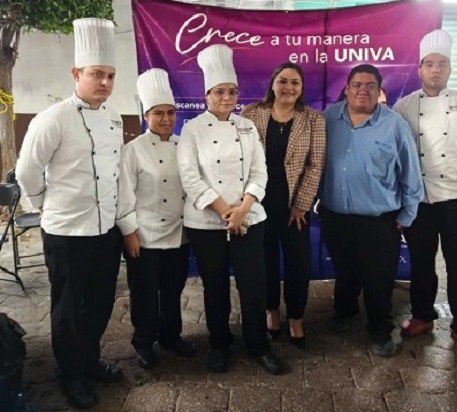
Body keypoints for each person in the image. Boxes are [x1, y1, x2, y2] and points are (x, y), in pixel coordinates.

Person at [15, 18, 123, 409]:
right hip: (66, 232)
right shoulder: (52, 118)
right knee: (68, 308)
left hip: (105, 229)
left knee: (100, 301)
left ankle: (89, 361)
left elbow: (114, 172)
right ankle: (70, 374)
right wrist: (43, 205)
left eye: (110, 75)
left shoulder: (113, 118)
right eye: (97, 74)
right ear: (76, 74)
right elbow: (27, 171)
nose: (105, 82)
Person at [177, 44, 283, 375]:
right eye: (220, 91)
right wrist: (226, 211)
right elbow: (190, 177)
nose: (227, 97)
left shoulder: (247, 126)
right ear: (207, 95)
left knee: (254, 285)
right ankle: (219, 345)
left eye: (232, 91)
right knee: (215, 287)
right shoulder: (192, 129)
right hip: (207, 224)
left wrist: (243, 209)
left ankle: (258, 345)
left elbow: (260, 172)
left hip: (249, 219)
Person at [393, 29, 457, 359]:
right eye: (429, 64)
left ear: (450, 68)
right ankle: (422, 316)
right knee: (422, 263)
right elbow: (397, 156)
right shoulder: (404, 106)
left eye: (441, 64)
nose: (435, 70)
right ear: (419, 69)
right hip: (419, 200)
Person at [319, 64, 424, 357]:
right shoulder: (327, 119)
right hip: (335, 216)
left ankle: (380, 329)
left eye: (369, 86)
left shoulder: (394, 125)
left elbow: (411, 174)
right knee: (345, 271)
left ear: (379, 91)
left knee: (378, 278)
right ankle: (345, 312)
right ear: (346, 89)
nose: (362, 90)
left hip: (379, 221)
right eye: (356, 84)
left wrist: (406, 215)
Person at [242, 62, 326, 349]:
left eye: (294, 82)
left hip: (294, 207)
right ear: (273, 83)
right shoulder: (251, 114)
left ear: (301, 88)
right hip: (257, 204)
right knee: (264, 261)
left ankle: (296, 317)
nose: (288, 87)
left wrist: (301, 204)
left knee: (297, 263)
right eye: (283, 81)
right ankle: (272, 311)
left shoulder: (313, 119)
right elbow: (240, 160)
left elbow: (315, 165)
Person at [116, 68, 194, 370]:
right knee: (144, 293)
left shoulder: (184, 146)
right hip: (144, 234)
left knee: (173, 289)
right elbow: (124, 193)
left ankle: (171, 336)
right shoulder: (133, 150)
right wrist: (129, 232)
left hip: (178, 232)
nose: (165, 119)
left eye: (170, 113)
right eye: (158, 113)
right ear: (146, 115)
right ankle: (143, 342)